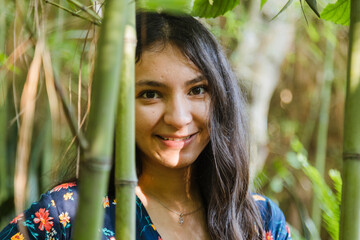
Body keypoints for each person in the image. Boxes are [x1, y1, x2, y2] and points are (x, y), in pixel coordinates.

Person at [0, 11, 292, 240]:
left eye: (197, 90)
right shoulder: (68, 214)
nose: (178, 118)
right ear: (116, 106)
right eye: (150, 94)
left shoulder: (261, 224)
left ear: (221, 98)